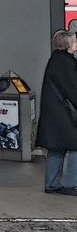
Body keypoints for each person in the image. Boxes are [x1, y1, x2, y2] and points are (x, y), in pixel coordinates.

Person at [36, 30, 77, 195]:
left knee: (56, 148)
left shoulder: (55, 60)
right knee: (74, 147)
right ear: (67, 44)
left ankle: (52, 184)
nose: (76, 43)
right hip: (64, 113)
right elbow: (74, 90)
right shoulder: (67, 63)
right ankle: (70, 183)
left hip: (55, 113)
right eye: (74, 41)